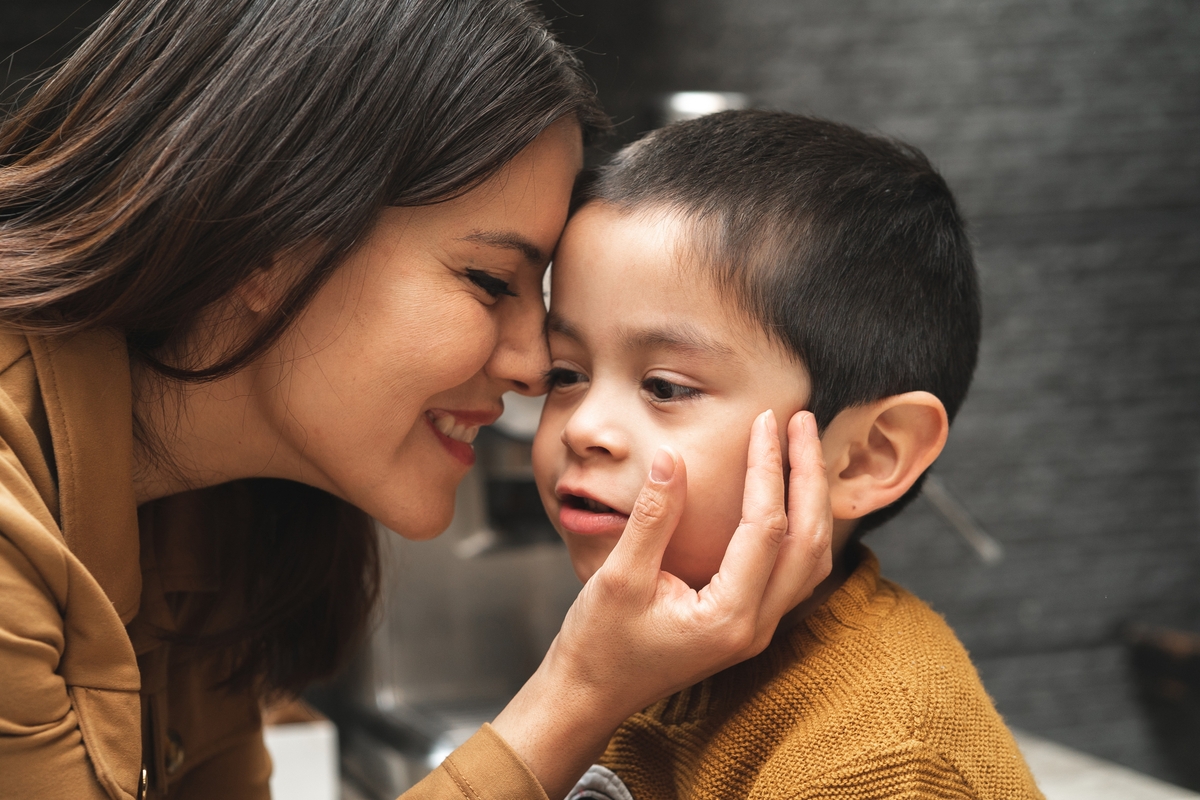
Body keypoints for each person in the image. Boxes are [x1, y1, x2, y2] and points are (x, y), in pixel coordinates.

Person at [0, 3, 836, 799]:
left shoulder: (215, 518)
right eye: (489, 281)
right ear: (264, 237)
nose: (535, 366)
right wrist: (582, 690)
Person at [532, 110, 1044, 799]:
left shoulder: (882, 756)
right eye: (565, 374)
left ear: (865, 457)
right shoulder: (639, 652)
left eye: (665, 387)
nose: (583, 426)